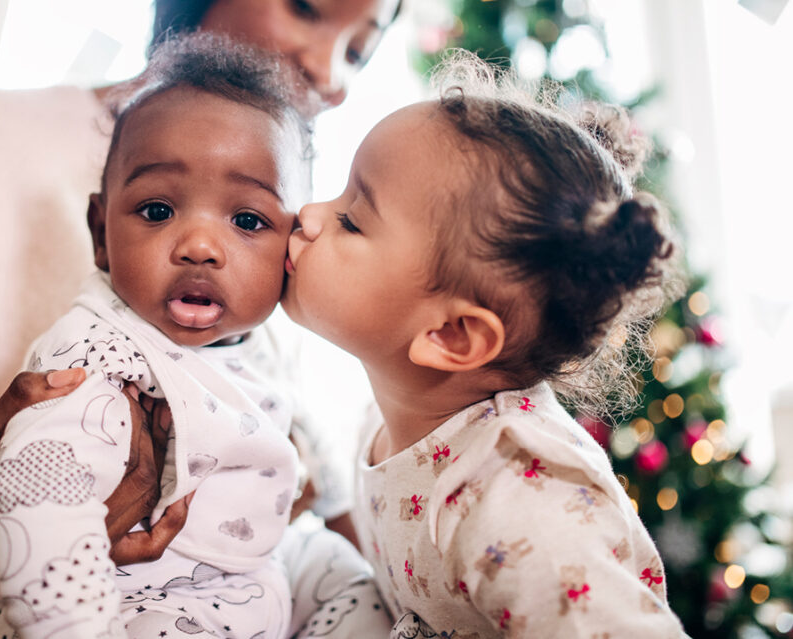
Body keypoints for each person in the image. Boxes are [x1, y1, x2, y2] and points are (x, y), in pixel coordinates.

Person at [0, 0, 400, 637]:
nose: (329, 72)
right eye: (307, 9)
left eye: (359, 50)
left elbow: (302, 447)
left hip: (230, 590)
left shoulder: (279, 230)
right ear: (100, 229)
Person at [0, 34, 388, 639]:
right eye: (157, 210)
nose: (199, 245)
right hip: (142, 600)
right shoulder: (100, 358)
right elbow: (35, 496)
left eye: (248, 220)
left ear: (293, 249)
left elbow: (315, 469)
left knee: (361, 592)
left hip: (257, 572)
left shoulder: (262, 343)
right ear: (100, 233)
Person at [279, 54, 689, 636]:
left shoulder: (519, 498)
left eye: (351, 220)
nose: (309, 215)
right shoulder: (392, 418)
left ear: (453, 335)